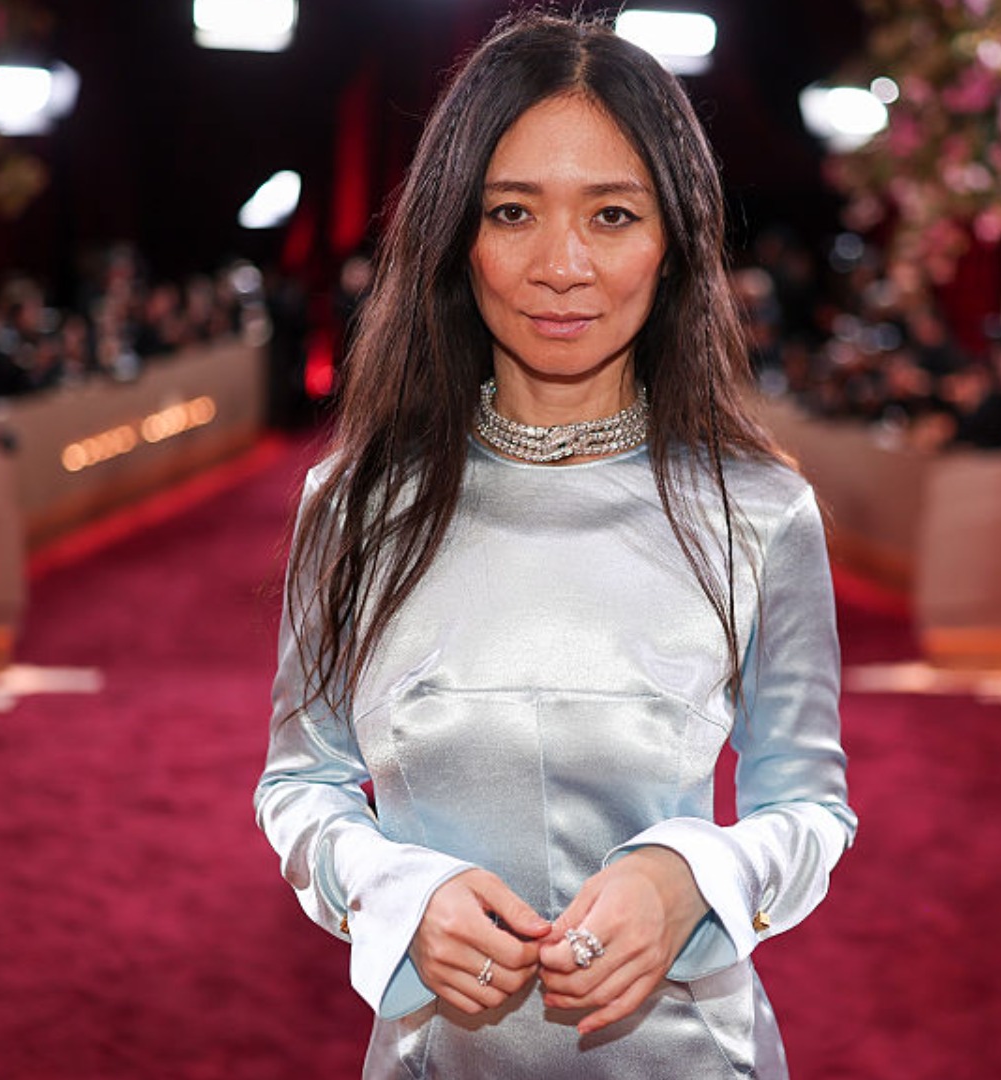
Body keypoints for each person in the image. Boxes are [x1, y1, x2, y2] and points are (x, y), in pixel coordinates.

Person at [255, 14, 856, 1079]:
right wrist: (399, 893)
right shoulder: (352, 505)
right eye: (513, 212)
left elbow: (806, 807)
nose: (562, 266)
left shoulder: (759, 513)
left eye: (613, 214)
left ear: (674, 241)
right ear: (457, 234)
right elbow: (302, 786)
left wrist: (691, 875)